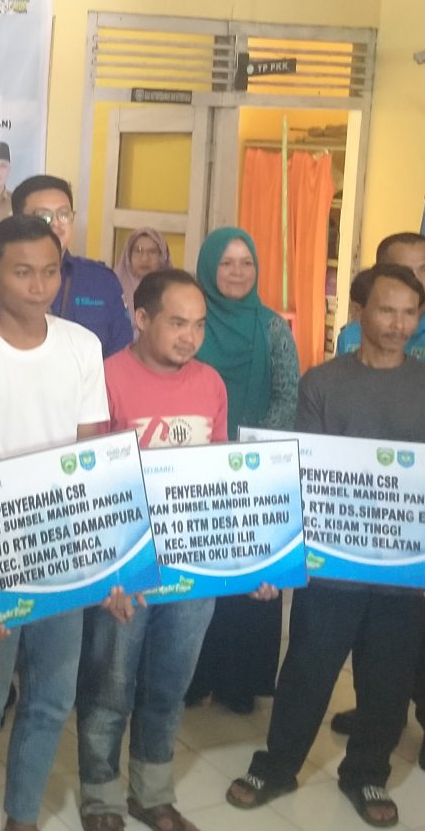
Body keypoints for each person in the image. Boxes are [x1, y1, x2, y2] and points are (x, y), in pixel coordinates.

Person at [227, 264, 425, 829]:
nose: (398, 324)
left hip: (403, 566)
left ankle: (366, 773)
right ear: (360, 312)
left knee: (388, 676)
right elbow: (305, 473)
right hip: (333, 564)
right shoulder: (323, 383)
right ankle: (278, 765)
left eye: (410, 313)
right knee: (308, 666)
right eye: (386, 310)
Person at [0, 214, 118, 831]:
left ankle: (22, 818)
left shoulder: (81, 346)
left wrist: (98, 556)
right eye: (22, 273)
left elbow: (89, 454)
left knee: (53, 698)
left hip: (65, 549)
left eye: (49, 272)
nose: (39, 286)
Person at [78, 268, 243, 831]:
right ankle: (101, 797)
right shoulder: (105, 379)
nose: (189, 337)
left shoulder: (211, 383)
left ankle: (152, 795)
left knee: (169, 686)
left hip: (191, 566)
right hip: (126, 567)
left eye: (199, 325)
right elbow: (93, 484)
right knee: (109, 688)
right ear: (142, 318)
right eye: (177, 323)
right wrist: (111, 573)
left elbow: (220, 476)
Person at [329, 231, 425, 774]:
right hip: (360, 500)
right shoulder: (352, 333)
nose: (416, 281)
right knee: (370, 614)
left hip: (422, 499)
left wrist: (416, 469)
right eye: (403, 270)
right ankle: (377, 709)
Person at [185, 227, 299, 715]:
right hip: (194, 466)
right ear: (208, 267)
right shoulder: (191, 323)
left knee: (249, 572)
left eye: (246, 263)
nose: (237, 272)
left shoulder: (273, 328)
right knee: (201, 568)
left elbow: (287, 395)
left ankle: (239, 681)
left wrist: (245, 454)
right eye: (226, 263)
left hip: (254, 468)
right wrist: (211, 451)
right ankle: (192, 676)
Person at [0, 175, 134, 359]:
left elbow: (121, 355)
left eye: (64, 214)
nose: (56, 223)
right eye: (44, 216)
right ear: (18, 220)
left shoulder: (102, 280)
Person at [114, 229, 172, 323]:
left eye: (152, 252)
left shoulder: (173, 289)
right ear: (128, 255)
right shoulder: (112, 286)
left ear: (162, 256)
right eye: (138, 251)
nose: (145, 259)